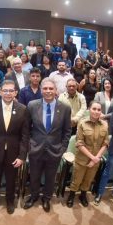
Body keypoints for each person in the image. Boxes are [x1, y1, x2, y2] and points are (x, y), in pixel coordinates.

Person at [23, 78, 71, 212]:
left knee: (50, 177)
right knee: (34, 175)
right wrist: (29, 146)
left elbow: (67, 131)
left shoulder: (65, 108)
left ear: (56, 91)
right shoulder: (32, 105)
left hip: (55, 150)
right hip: (35, 148)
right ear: (41, 90)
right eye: (45, 88)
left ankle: (46, 198)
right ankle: (33, 196)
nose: (48, 91)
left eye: (51, 88)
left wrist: (62, 148)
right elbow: (26, 128)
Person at [0, 80, 29, 214]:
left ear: (15, 92)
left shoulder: (23, 109)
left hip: (14, 153)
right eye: (5, 91)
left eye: (11, 91)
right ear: (1, 92)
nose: (8, 93)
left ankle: (10, 201)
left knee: (11, 179)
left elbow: (25, 135)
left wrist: (22, 156)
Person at [66, 101, 109, 208]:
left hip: (95, 159)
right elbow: (79, 143)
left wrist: (97, 158)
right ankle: (71, 195)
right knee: (77, 180)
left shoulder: (104, 124)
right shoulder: (82, 123)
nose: (96, 112)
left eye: (99, 110)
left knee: (88, 180)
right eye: (94, 109)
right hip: (82, 159)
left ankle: (83, 195)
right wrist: (92, 158)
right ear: (89, 109)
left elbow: (106, 143)